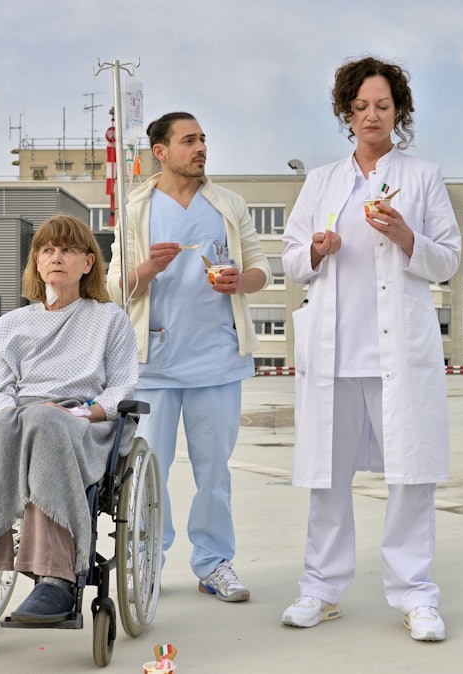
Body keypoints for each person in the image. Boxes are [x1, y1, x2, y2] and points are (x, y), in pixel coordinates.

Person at [280, 56, 461, 641]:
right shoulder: (321, 181)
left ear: (398, 110)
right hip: (334, 352)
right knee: (328, 479)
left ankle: (415, 595)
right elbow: (290, 258)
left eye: (383, 105)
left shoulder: (423, 176)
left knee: (410, 478)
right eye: (360, 107)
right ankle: (321, 588)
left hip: (397, 354)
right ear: (346, 113)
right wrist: (316, 248)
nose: (371, 116)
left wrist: (406, 235)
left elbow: (448, 259)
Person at [0, 215, 138, 629]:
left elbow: (121, 386)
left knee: (44, 422)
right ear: (36, 261)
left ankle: (57, 575)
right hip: (18, 421)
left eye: (67, 250)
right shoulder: (11, 325)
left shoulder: (110, 319)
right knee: (4, 426)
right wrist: (10, 418)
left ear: (88, 262)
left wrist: (77, 413)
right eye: (47, 250)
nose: (56, 257)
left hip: (82, 421)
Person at [106, 112, 271, 602]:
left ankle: (214, 562)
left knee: (214, 471)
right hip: (153, 364)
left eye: (203, 139)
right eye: (188, 140)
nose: (200, 148)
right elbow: (114, 288)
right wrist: (148, 268)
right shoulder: (135, 208)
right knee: (146, 472)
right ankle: (147, 563)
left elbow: (261, 268)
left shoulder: (228, 205)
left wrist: (240, 282)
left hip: (217, 360)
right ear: (160, 151)